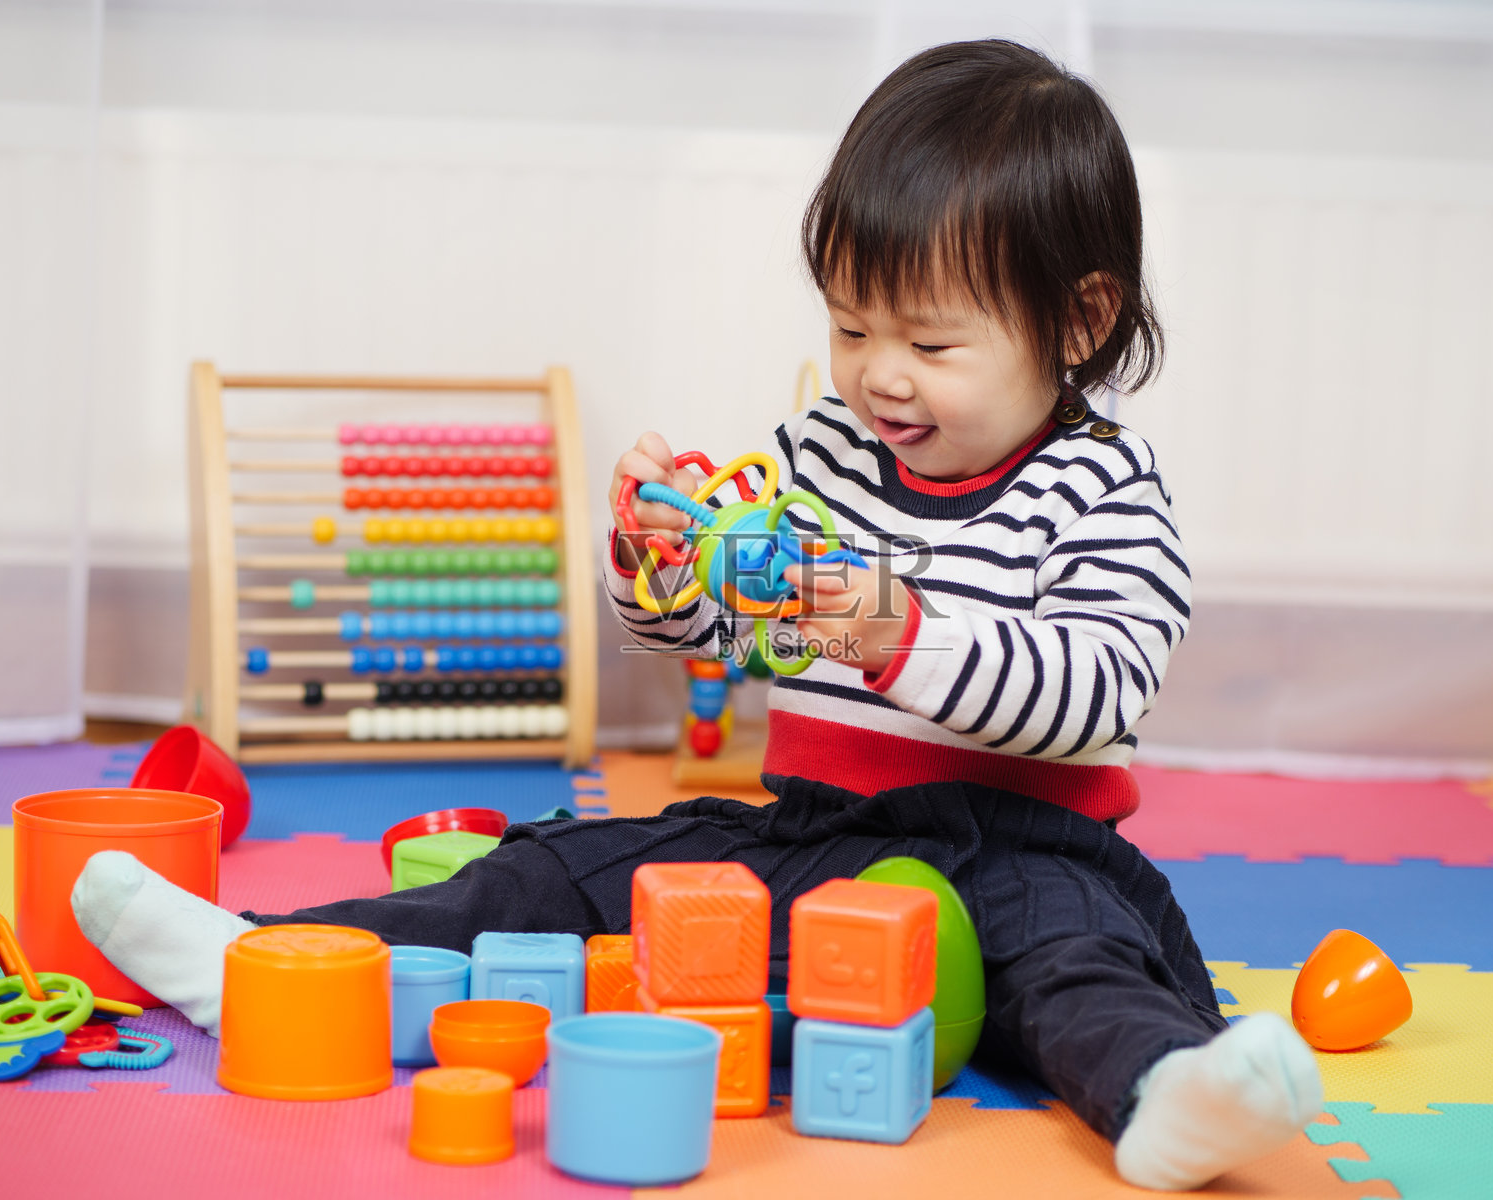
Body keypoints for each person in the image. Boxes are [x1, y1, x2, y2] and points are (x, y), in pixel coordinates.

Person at [71, 40, 1321, 1191]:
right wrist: (659, 571)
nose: (879, 374)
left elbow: (1094, 692)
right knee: (554, 869)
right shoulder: (826, 447)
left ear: (1078, 321)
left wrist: (891, 630)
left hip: (1028, 853)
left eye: (932, 345)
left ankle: (1168, 1097)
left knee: (1076, 964)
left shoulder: (1105, 488)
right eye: (850, 326)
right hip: (820, 833)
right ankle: (264, 960)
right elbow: (723, 641)